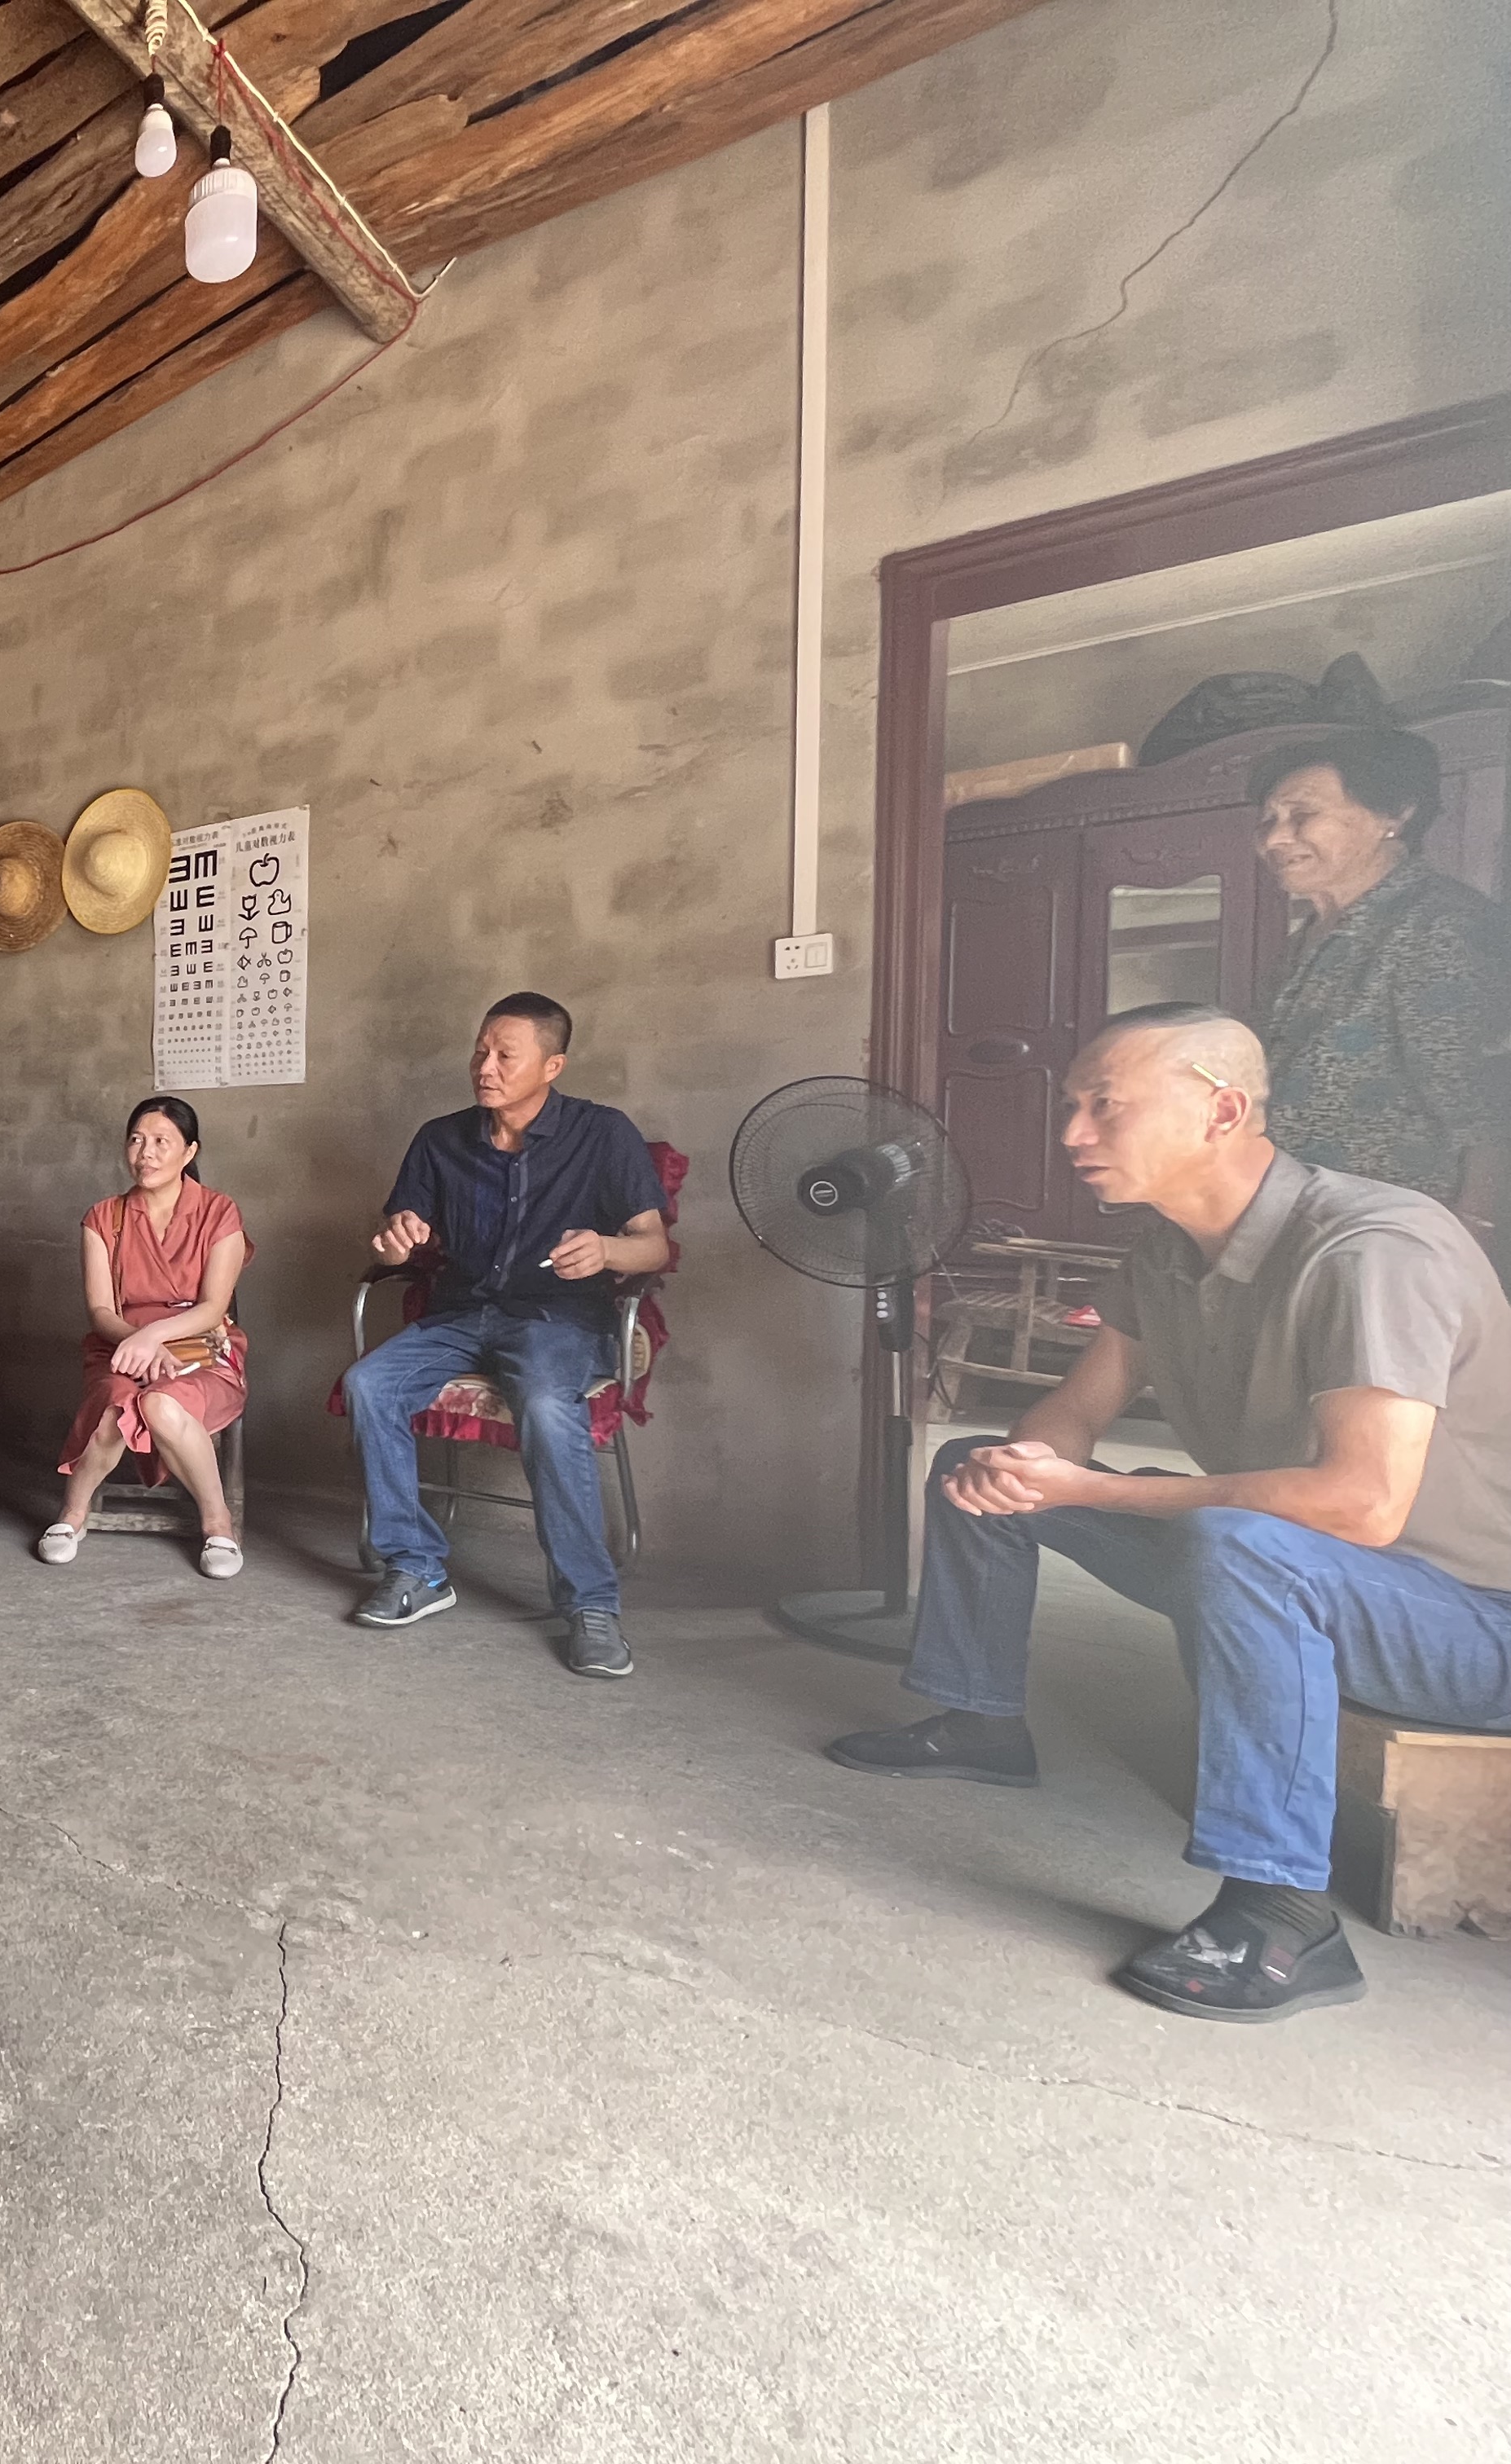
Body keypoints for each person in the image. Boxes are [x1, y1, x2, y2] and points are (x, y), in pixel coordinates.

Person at [829, 1005, 1511, 2023]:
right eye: (1073, 1107)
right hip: (1286, 1565)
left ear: (1222, 1112)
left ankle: (1282, 1915)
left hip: (1471, 1622)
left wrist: (1095, 1490)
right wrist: (1030, 1469)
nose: (1074, 1133)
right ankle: (980, 1721)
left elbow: (1360, 1505)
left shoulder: (1375, 1248)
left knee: (1241, 1547)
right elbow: (1076, 1414)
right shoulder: (1165, 1254)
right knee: (981, 1466)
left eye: (1106, 1105)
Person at [343, 992, 672, 1676]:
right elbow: (396, 1231)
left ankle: (590, 1603)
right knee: (369, 1384)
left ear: (552, 1066)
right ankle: (417, 1568)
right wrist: (396, 1238)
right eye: (480, 1051)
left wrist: (607, 1250)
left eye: (504, 1055)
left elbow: (653, 1246)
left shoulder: (602, 1134)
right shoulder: (440, 1139)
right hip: (461, 1315)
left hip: (558, 1320)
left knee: (548, 1405)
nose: (484, 1067)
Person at [1249, 729, 1508, 1247]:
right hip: (1296, 1224)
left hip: (1394, 1239)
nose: (1276, 839)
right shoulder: (1305, 941)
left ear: (1394, 815)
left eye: (1303, 815)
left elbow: (1487, 1113)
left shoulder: (1440, 926)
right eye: (1269, 820)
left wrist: (1469, 1236)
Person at [40, 1096, 251, 1577]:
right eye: (136, 1140)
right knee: (115, 1407)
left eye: (161, 1142)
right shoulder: (103, 1218)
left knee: (161, 1404)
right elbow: (100, 1311)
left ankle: (218, 1524)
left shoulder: (219, 1212)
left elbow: (213, 1308)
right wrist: (138, 1342)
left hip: (200, 1347)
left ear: (189, 1151)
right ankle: (72, 1515)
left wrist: (155, 1337)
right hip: (122, 1346)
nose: (146, 1153)